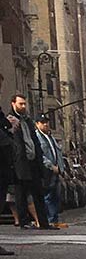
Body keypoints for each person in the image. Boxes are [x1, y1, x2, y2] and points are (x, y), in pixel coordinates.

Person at [5, 93, 49, 228]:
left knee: (38, 193)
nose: (23, 106)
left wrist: (39, 157)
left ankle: (43, 222)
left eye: (24, 103)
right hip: (20, 163)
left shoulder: (28, 121)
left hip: (33, 161)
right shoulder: (10, 120)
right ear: (13, 104)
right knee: (21, 194)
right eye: (20, 104)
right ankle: (24, 222)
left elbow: (34, 141)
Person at [34, 116, 67, 228]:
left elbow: (57, 154)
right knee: (47, 197)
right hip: (46, 172)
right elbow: (40, 155)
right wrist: (51, 166)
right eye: (43, 123)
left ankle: (54, 219)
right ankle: (49, 220)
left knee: (55, 197)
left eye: (47, 122)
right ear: (37, 124)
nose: (46, 125)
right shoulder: (37, 137)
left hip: (56, 172)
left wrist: (61, 169)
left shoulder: (50, 137)